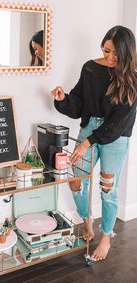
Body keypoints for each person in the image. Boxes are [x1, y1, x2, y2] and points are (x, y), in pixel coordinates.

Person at [51, 25, 137, 261]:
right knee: (76, 181)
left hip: (116, 136)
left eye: (116, 55)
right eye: (106, 50)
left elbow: (119, 122)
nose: (109, 58)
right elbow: (79, 104)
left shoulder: (132, 78)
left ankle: (107, 237)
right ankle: (88, 223)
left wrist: (87, 142)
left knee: (107, 190)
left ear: (127, 54)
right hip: (90, 127)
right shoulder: (90, 68)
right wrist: (63, 99)